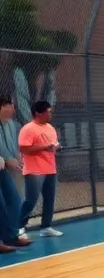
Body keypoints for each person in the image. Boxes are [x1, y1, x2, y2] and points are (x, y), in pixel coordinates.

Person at [17, 100, 61, 237]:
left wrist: (56, 148)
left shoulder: (50, 128)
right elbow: (24, 149)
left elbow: (52, 146)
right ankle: (19, 227)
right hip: (34, 171)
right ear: (38, 113)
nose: (50, 114)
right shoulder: (28, 129)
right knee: (31, 200)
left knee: (49, 199)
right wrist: (45, 147)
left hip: (50, 169)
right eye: (48, 112)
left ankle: (46, 227)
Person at [0, 96, 32, 253]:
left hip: (2, 169)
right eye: (10, 105)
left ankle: (10, 236)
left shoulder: (11, 124)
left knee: (14, 199)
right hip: (3, 163)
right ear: (2, 106)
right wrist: (6, 159)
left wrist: (17, 158)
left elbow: (12, 144)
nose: (13, 108)